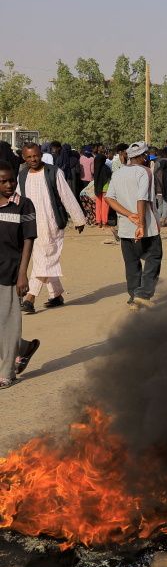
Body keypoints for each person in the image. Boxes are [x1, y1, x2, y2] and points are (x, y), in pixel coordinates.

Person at [17, 143, 86, 314]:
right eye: (29, 157)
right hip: (31, 223)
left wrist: (78, 218)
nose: (33, 159)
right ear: (24, 158)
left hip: (51, 223)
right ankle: (56, 295)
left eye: (36, 156)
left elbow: (66, 195)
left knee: (44, 258)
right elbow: (17, 199)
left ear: (41, 154)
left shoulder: (54, 172)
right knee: (45, 259)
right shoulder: (22, 175)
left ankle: (30, 297)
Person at [106, 142, 163, 309]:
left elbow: (110, 198)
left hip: (125, 227)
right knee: (153, 258)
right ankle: (143, 294)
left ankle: (133, 297)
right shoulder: (145, 172)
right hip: (147, 227)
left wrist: (127, 214)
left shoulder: (118, 173)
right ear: (143, 156)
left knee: (131, 263)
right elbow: (142, 198)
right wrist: (141, 223)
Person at [0, 165, 40, 387]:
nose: (9, 185)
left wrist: (23, 273)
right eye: (3, 181)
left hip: (10, 271)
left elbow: (28, 240)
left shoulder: (23, 205)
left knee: (8, 323)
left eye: (11, 181)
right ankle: (22, 348)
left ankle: (7, 372)